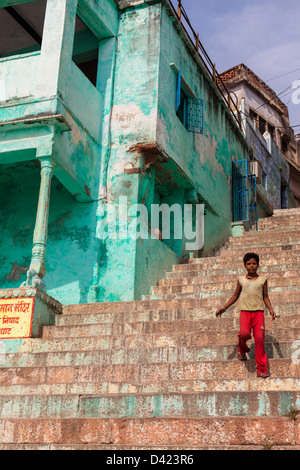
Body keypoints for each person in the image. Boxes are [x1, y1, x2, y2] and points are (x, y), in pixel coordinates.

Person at [215, 252, 276, 378]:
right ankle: (242, 349)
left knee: (259, 339)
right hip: (245, 312)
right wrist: (224, 307)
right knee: (244, 334)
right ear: (245, 265)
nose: (251, 266)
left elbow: (265, 296)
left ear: (258, 265)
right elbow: (235, 295)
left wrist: (270, 309)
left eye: (254, 263)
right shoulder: (241, 280)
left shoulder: (262, 280)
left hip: (258, 312)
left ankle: (262, 369)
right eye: (249, 264)